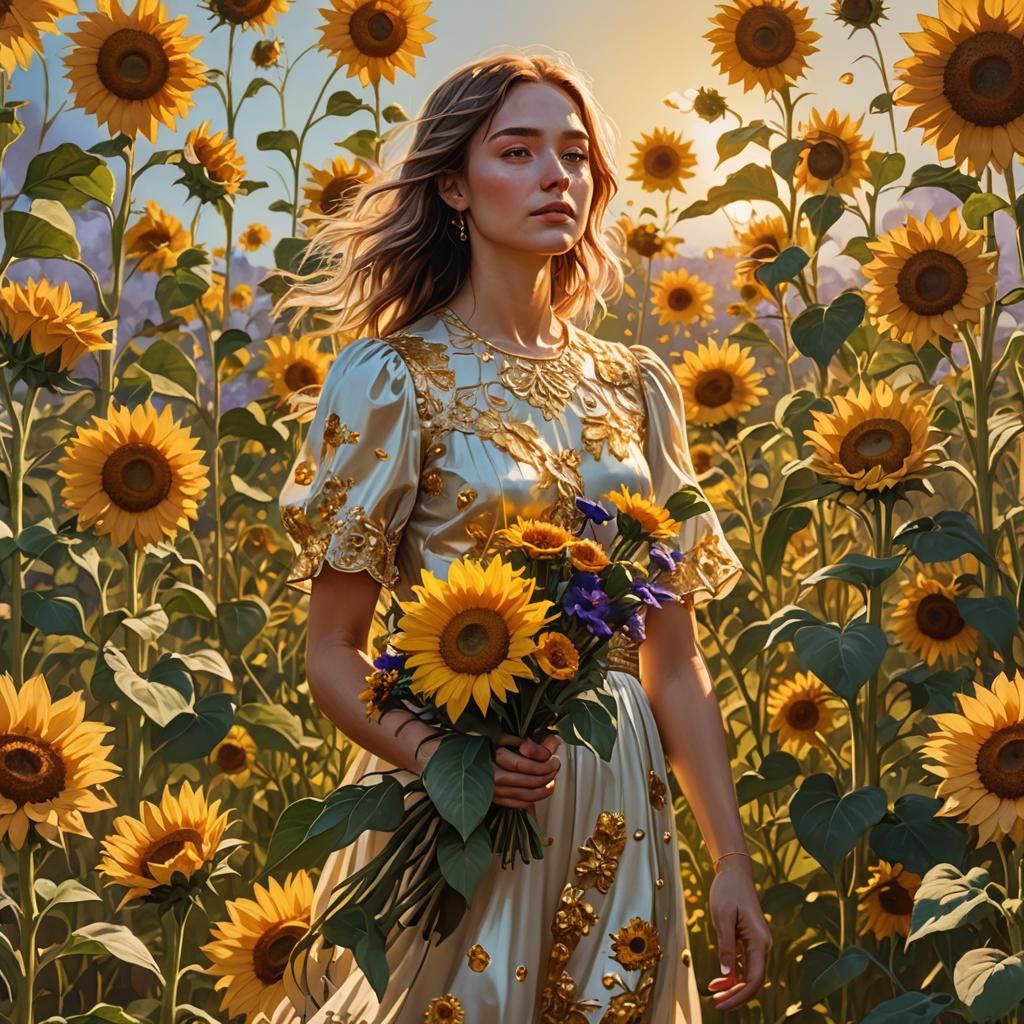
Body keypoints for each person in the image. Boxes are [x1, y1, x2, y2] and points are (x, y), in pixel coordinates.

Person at [271, 49, 771, 1024]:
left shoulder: (635, 385)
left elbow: (674, 667)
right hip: (459, 799)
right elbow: (331, 652)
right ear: (452, 184)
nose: (557, 177)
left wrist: (730, 860)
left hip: (621, 802)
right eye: (518, 150)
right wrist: (433, 755)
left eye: (576, 154)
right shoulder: (391, 377)